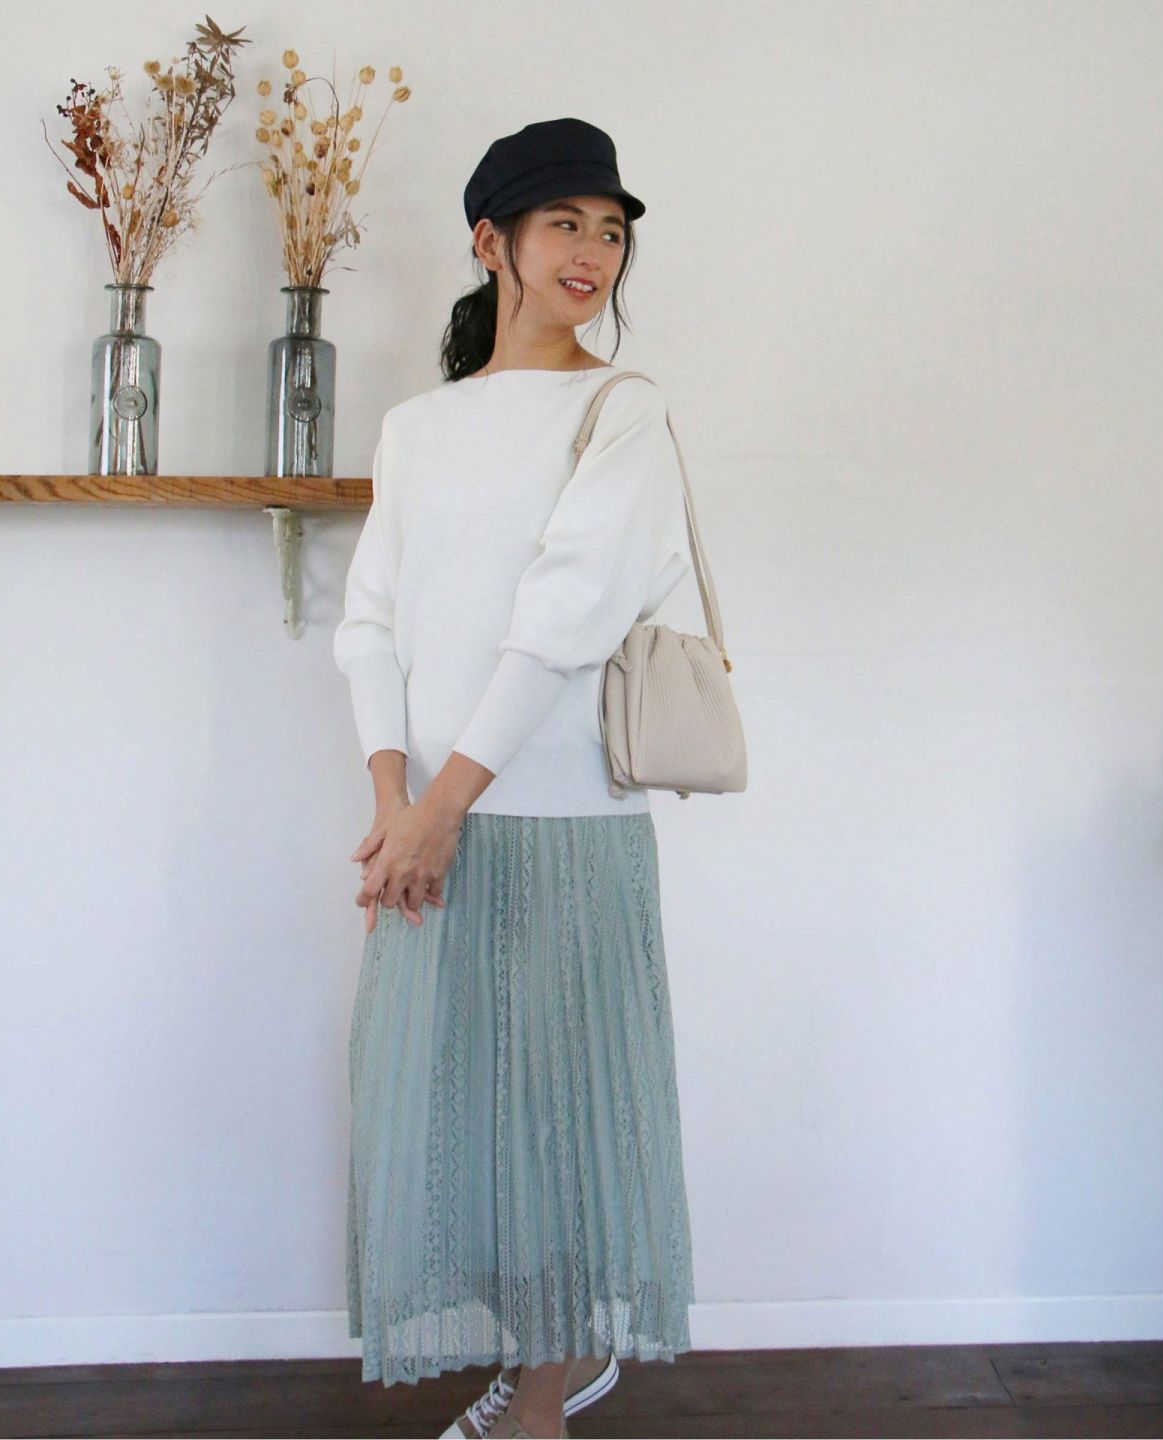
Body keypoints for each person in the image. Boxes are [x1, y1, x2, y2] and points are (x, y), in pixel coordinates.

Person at [333, 117, 698, 1440]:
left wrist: (436, 809)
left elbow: (566, 618)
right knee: (453, 1114)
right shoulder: (418, 426)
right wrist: (395, 805)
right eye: (565, 224)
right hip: (429, 825)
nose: (592, 251)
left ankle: (545, 1393)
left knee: (559, 1115)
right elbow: (369, 623)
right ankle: (542, 1358)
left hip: (563, 820)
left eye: (611, 229)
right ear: (491, 242)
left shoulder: (623, 409)